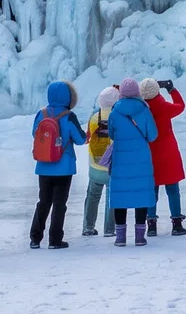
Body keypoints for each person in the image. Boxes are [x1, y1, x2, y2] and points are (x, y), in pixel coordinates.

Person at [29, 81, 87, 250]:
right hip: (64, 166)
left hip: (44, 164)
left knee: (43, 201)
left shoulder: (42, 114)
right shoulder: (69, 116)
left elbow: (35, 133)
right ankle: (55, 239)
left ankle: (35, 238)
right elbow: (80, 139)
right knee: (59, 203)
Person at [106, 76, 159, 246]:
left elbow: (112, 134)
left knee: (121, 195)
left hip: (121, 158)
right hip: (141, 159)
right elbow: (153, 135)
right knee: (141, 195)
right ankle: (139, 236)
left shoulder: (114, 112)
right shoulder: (144, 110)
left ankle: (120, 237)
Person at [145, 77, 186, 235]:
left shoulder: (142, 109)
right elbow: (181, 106)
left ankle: (151, 224)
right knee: (173, 189)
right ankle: (176, 223)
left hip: (150, 154)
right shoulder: (164, 107)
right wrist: (171, 89)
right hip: (168, 153)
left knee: (151, 190)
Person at [81, 85, 119, 237]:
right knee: (112, 197)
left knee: (92, 195)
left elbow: (88, 136)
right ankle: (109, 230)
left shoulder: (94, 115)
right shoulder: (118, 115)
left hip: (95, 163)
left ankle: (88, 227)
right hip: (112, 164)